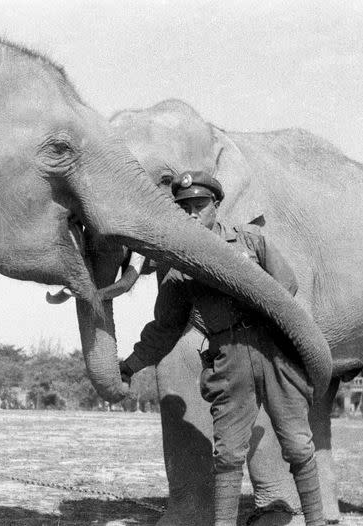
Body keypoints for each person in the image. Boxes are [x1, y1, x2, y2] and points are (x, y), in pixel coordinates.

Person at [119, 172, 325, 526]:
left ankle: (317, 522)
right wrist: (130, 365)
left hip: (274, 351)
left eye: (199, 206)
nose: (192, 214)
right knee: (228, 451)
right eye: (184, 208)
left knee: (297, 444)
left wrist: (238, 276)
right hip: (228, 357)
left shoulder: (251, 240)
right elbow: (165, 326)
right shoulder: (179, 262)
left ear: (217, 206)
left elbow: (286, 289)